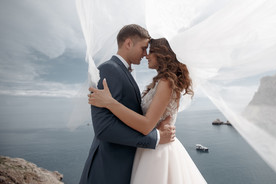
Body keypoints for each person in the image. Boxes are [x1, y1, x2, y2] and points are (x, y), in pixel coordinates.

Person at [88, 38, 207, 183]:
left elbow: (146, 126)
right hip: (150, 148)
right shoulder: (160, 82)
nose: (146, 55)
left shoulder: (167, 82)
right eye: (145, 50)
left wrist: (110, 102)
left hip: (158, 153)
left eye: (150, 51)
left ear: (163, 54)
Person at [79, 25, 176, 184]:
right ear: (129, 43)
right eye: (143, 48)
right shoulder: (109, 70)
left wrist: (155, 128)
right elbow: (103, 128)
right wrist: (155, 137)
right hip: (107, 170)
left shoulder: (122, 72)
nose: (145, 54)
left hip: (124, 168)